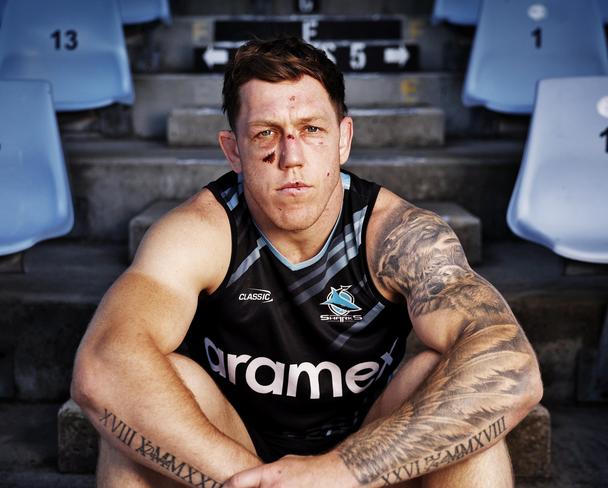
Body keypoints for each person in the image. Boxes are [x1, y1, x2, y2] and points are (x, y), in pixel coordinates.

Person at [71, 36, 543, 488]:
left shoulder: (397, 234)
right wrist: (270, 484)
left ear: (343, 139)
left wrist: (338, 473)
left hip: (367, 466)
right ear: (233, 149)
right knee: (143, 410)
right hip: (231, 461)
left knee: (458, 403)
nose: (290, 157)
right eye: (265, 134)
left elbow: (514, 368)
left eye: (311, 130)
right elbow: (102, 365)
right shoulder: (199, 231)